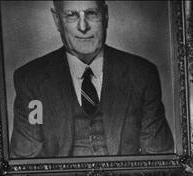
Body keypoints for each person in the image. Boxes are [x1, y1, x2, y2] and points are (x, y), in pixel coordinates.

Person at [9, 1, 174, 159]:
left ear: (106, 15)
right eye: (72, 15)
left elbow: (158, 156)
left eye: (91, 13)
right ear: (57, 20)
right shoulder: (31, 80)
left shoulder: (142, 74)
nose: (83, 27)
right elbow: (26, 162)